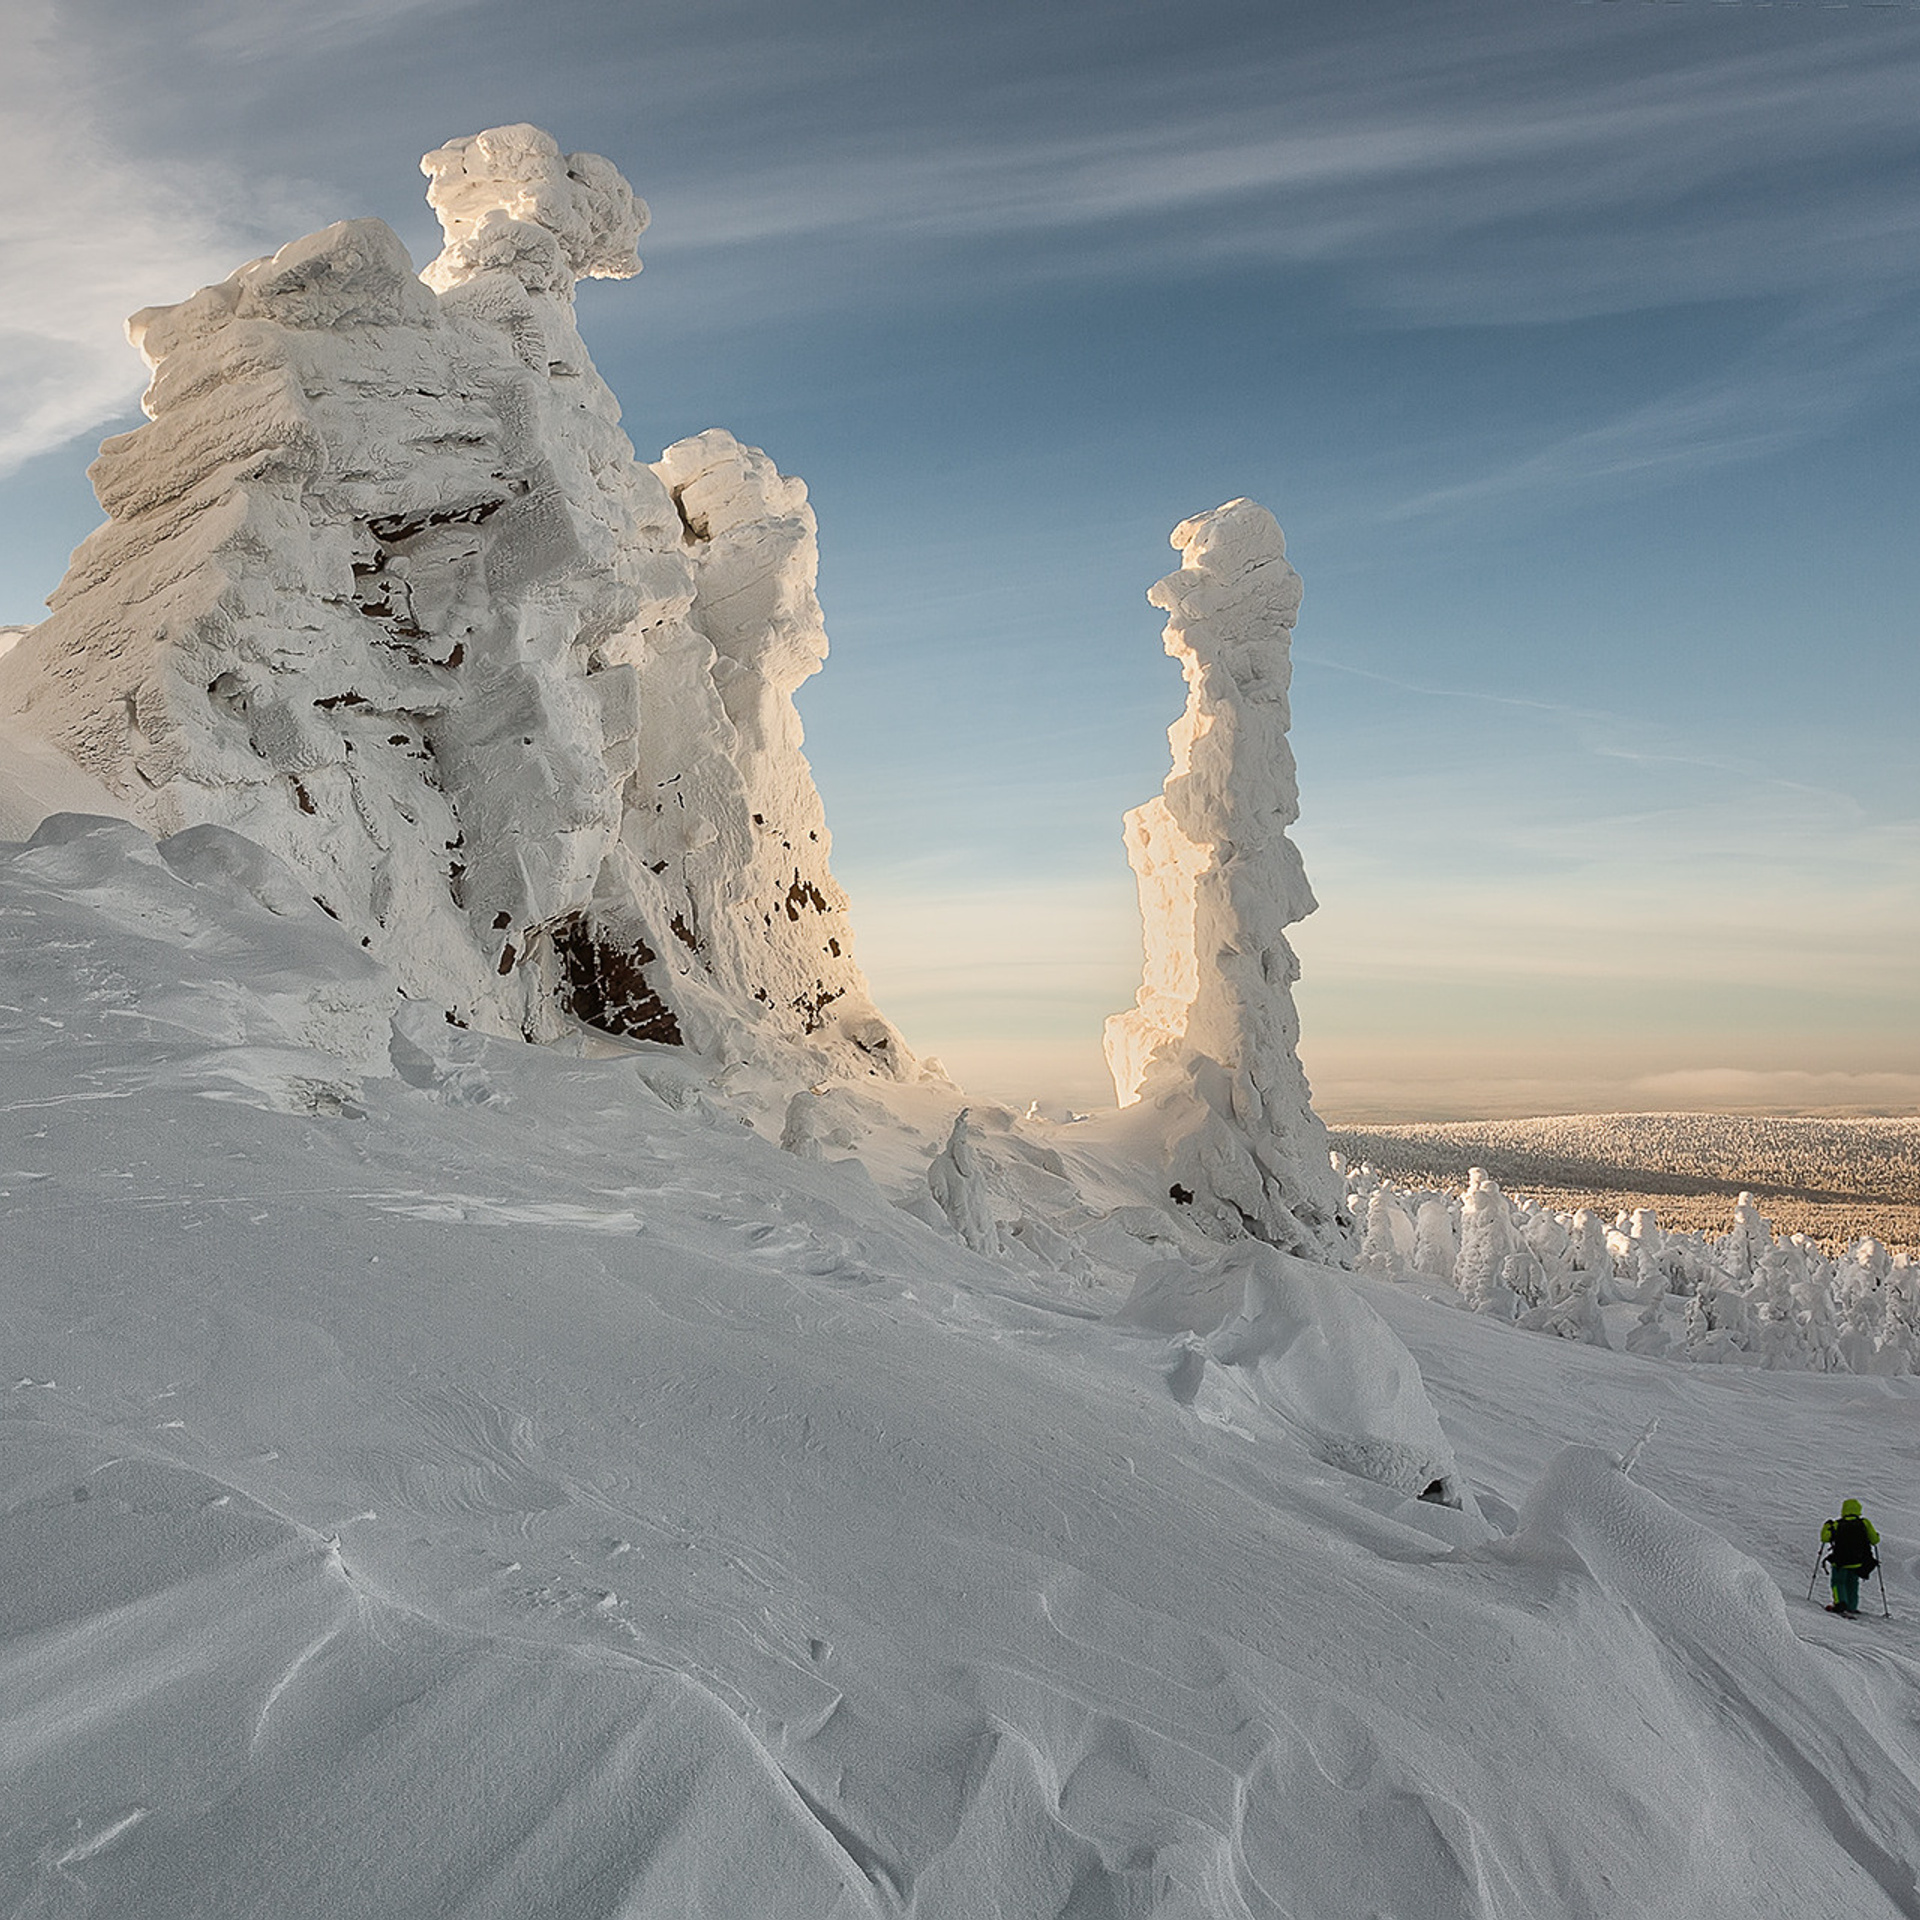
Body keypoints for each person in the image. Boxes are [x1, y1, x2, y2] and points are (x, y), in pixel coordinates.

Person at [1821, 1498, 1880, 1616]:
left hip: (1840, 1561)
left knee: (1838, 1582)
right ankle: (1852, 1606)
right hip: (1857, 1561)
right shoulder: (1864, 1523)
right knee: (1852, 1583)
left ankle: (1840, 1603)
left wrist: (1826, 1526)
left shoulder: (1837, 1524)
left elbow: (1825, 1538)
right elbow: (1875, 1540)